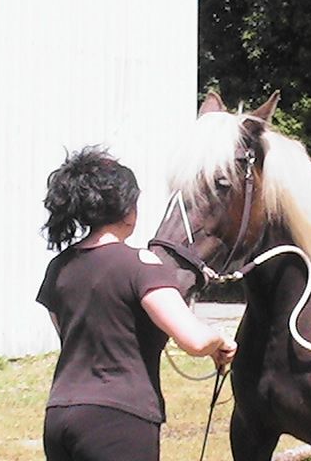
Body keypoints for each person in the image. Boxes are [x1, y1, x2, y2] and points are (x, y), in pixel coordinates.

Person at [36, 146, 237, 461]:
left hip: (59, 415)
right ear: (127, 209)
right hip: (118, 419)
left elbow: (71, 335)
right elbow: (195, 341)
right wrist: (220, 341)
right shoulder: (141, 264)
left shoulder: (58, 267)